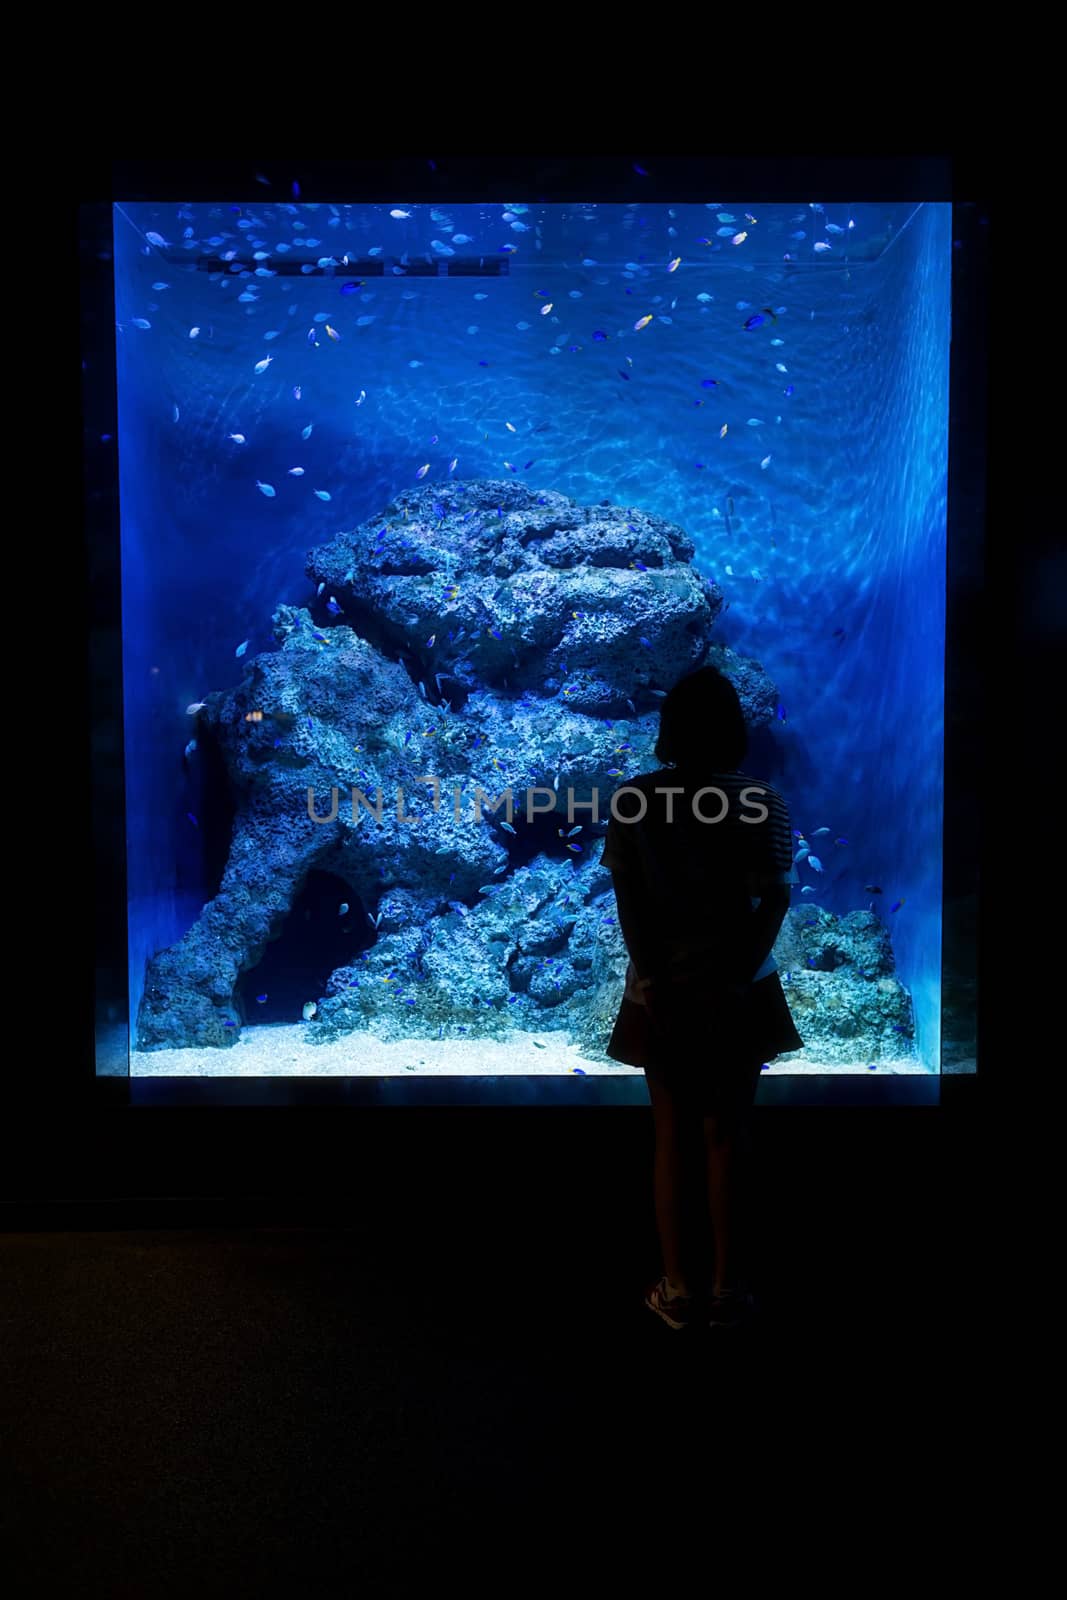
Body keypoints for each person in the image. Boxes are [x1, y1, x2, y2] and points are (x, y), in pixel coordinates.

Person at [601, 665, 803, 1330]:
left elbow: (628, 901)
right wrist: (735, 976)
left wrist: (655, 978)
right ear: (733, 732)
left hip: (660, 989)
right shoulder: (759, 802)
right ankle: (729, 1285)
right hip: (739, 987)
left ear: (666, 731)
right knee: (726, 1133)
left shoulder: (633, 801)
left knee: (670, 1136)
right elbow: (772, 895)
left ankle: (678, 1287)